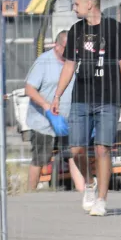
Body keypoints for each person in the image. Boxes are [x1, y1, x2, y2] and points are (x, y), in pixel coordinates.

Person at [52, 0, 121, 217]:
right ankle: (89, 184)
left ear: (90, 4)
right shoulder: (76, 30)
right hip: (81, 98)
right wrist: (57, 95)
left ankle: (101, 199)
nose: (73, 8)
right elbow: (69, 65)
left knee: (102, 149)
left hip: (109, 98)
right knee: (76, 148)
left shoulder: (114, 29)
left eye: (76, 4)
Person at [22, 30, 87, 193]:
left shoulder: (75, 61)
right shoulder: (43, 62)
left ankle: (84, 193)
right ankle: (30, 194)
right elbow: (29, 89)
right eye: (67, 48)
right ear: (57, 46)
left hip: (68, 120)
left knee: (74, 155)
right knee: (40, 159)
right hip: (43, 123)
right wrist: (46, 106)